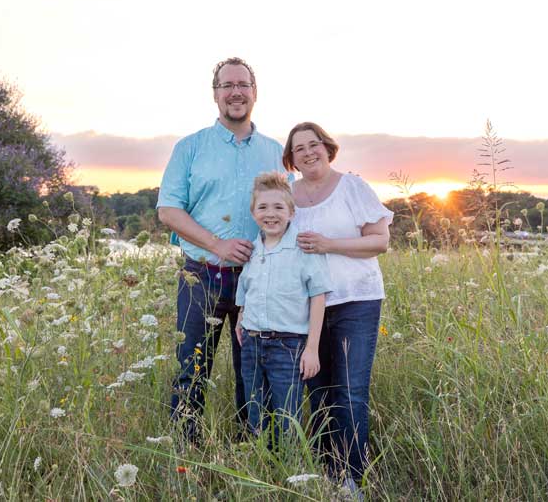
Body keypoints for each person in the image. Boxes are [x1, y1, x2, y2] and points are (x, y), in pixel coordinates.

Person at [156, 57, 288, 445]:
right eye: (227, 85)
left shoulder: (276, 152)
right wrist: (218, 245)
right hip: (201, 274)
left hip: (259, 279)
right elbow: (168, 210)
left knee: (254, 370)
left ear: (254, 93)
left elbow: (291, 212)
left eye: (243, 85)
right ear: (215, 94)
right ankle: (186, 454)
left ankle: (251, 452)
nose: (236, 92)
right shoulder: (191, 148)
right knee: (192, 369)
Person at [283, 122, 393, 490]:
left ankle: (353, 480)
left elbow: (380, 241)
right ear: (292, 158)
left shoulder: (353, 187)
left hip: (356, 301)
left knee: (349, 391)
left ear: (327, 148)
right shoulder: (287, 195)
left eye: (314, 144)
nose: (308, 152)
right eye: (299, 149)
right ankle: (328, 474)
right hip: (307, 306)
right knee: (316, 392)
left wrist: (329, 244)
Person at [234, 172, 331, 446]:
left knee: (287, 416)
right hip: (252, 344)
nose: (270, 214)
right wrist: (242, 316)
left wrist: (312, 348)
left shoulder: (303, 248)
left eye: (278, 207)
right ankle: (261, 472)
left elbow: (318, 297)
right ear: (253, 213)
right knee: (255, 411)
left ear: (291, 212)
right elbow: (246, 289)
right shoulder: (253, 250)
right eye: (263, 207)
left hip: (288, 346)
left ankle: (289, 472)